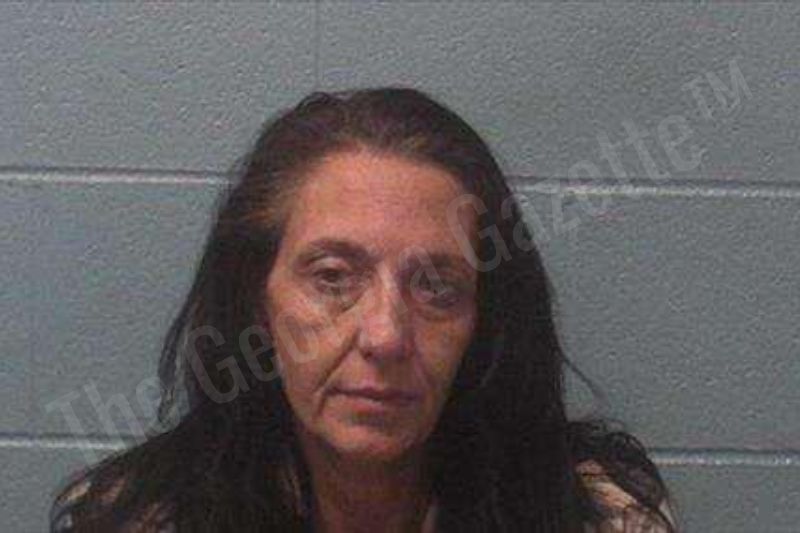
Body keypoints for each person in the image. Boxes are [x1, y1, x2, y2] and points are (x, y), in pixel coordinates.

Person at [51, 87, 677, 532]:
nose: (385, 335)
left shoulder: (598, 516)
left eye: (436, 287)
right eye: (332, 279)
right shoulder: (140, 519)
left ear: (482, 322)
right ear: (256, 305)